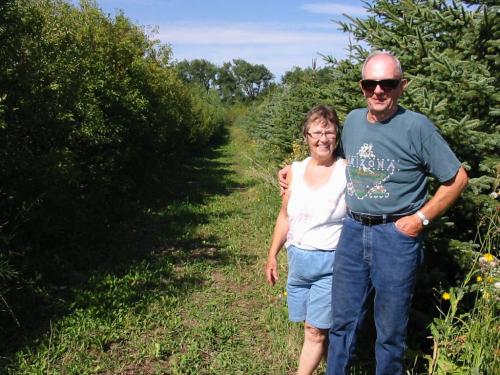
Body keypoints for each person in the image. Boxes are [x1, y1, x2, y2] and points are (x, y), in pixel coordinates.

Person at [279, 51, 468, 375]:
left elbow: (457, 179)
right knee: (342, 323)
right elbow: (329, 156)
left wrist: (420, 219)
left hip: (395, 237)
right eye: (371, 84)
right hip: (351, 233)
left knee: (390, 331)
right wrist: (293, 170)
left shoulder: (416, 127)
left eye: (388, 83)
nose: (378, 91)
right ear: (362, 86)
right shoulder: (352, 121)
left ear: (401, 86)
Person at [265, 105, 347, 375]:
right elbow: (284, 217)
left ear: (337, 135)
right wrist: (272, 255)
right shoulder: (294, 172)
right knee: (311, 326)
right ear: (306, 137)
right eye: (316, 132)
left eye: (329, 131)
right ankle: (324, 365)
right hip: (298, 260)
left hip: (331, 262)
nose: (323, 138)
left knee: (315, 330)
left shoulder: (346, 172)